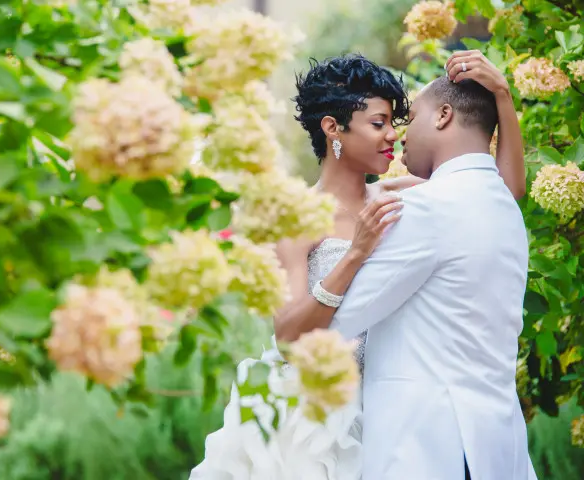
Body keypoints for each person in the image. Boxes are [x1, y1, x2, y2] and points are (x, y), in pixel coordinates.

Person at [190, 51, 527, 479]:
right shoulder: (296, 220)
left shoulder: (401, 197)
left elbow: (496, 189)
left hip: (386, 411)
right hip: (315, 418)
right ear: (333, 128)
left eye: (394, 123)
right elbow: (289, 335)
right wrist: (355, 254)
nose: (392, 136)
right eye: (378, 123)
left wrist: (502, 96)